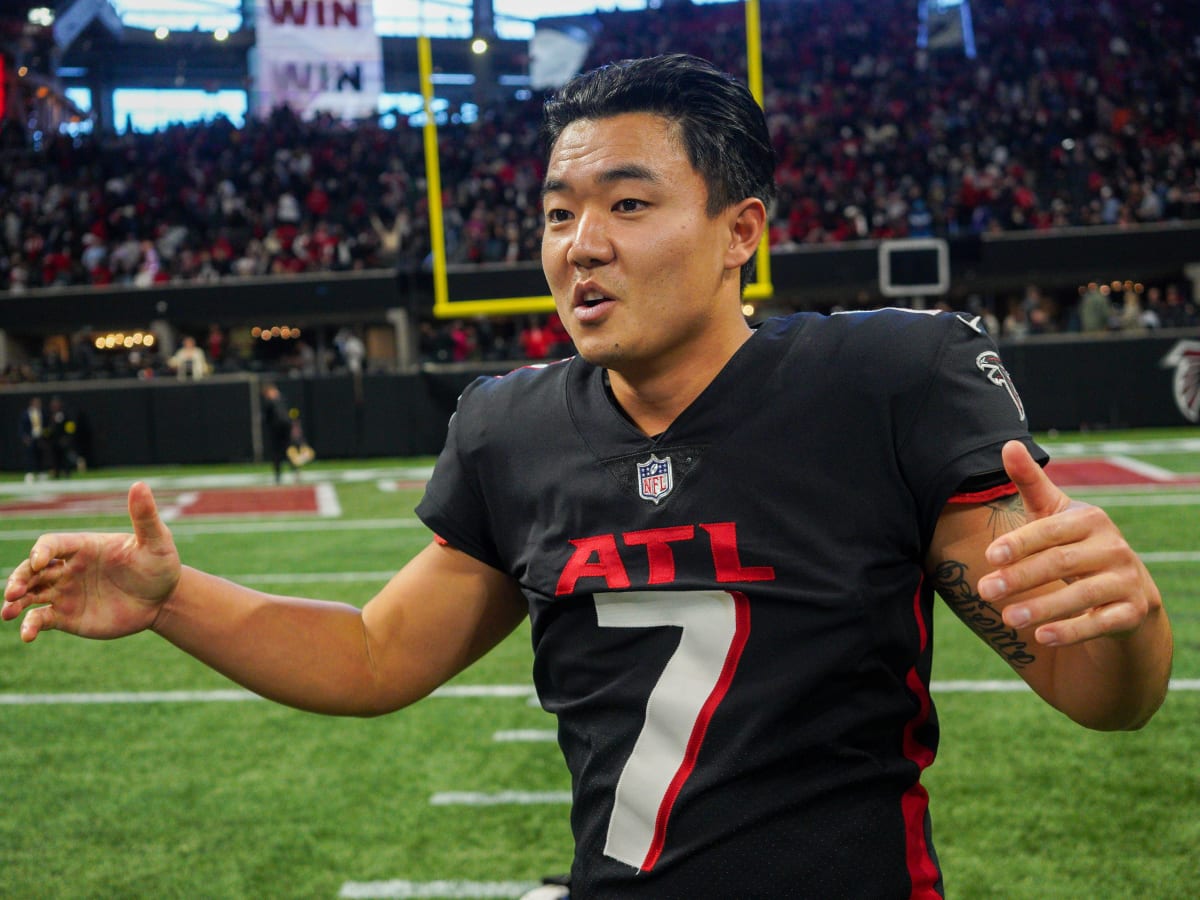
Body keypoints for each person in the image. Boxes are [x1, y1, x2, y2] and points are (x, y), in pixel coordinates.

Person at [2, 55, 1172, 898]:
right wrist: (173, 601)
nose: (580, 244)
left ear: (739, 231)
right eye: (558, 213)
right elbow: (373, 656)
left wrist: (1125, 620)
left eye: (627, 203)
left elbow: (1098, 694)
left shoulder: (886, 381)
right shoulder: (514, 428)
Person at [260, 382, 303, 484]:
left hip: (285, 430)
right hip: (275, 431)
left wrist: (294, 426)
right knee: (277, 454)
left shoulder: (281, 400)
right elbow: (267, 418)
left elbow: (291, 414)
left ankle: (295, 471)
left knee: (288, 451)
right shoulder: (270, 403)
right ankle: (278, 475)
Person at [18, 396, 48, 483]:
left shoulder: (42, 413)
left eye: (39, 403)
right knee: (29, 456)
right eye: (35, 402)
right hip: (30, 438)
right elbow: (21, 427)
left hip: (40, 437)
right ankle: (29, 474)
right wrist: (24, 437)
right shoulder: (25, 414)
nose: (37, 404)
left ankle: (41, 473)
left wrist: (45, 437)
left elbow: (46, 426)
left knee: (40, 456)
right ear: (31, 403)